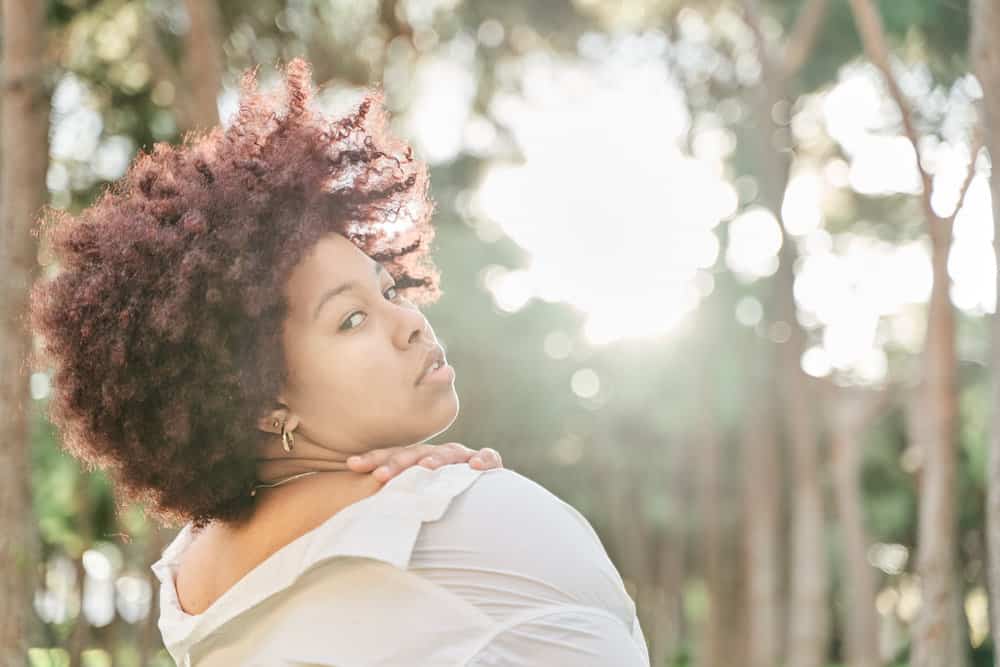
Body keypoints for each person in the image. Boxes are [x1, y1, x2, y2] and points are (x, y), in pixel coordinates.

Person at [29, 58, 650, 666]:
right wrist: (440, 497)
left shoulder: (190, 586)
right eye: (350, 319)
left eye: (389, 292)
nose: (409, 323)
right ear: (263, 398)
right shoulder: (466, 519)